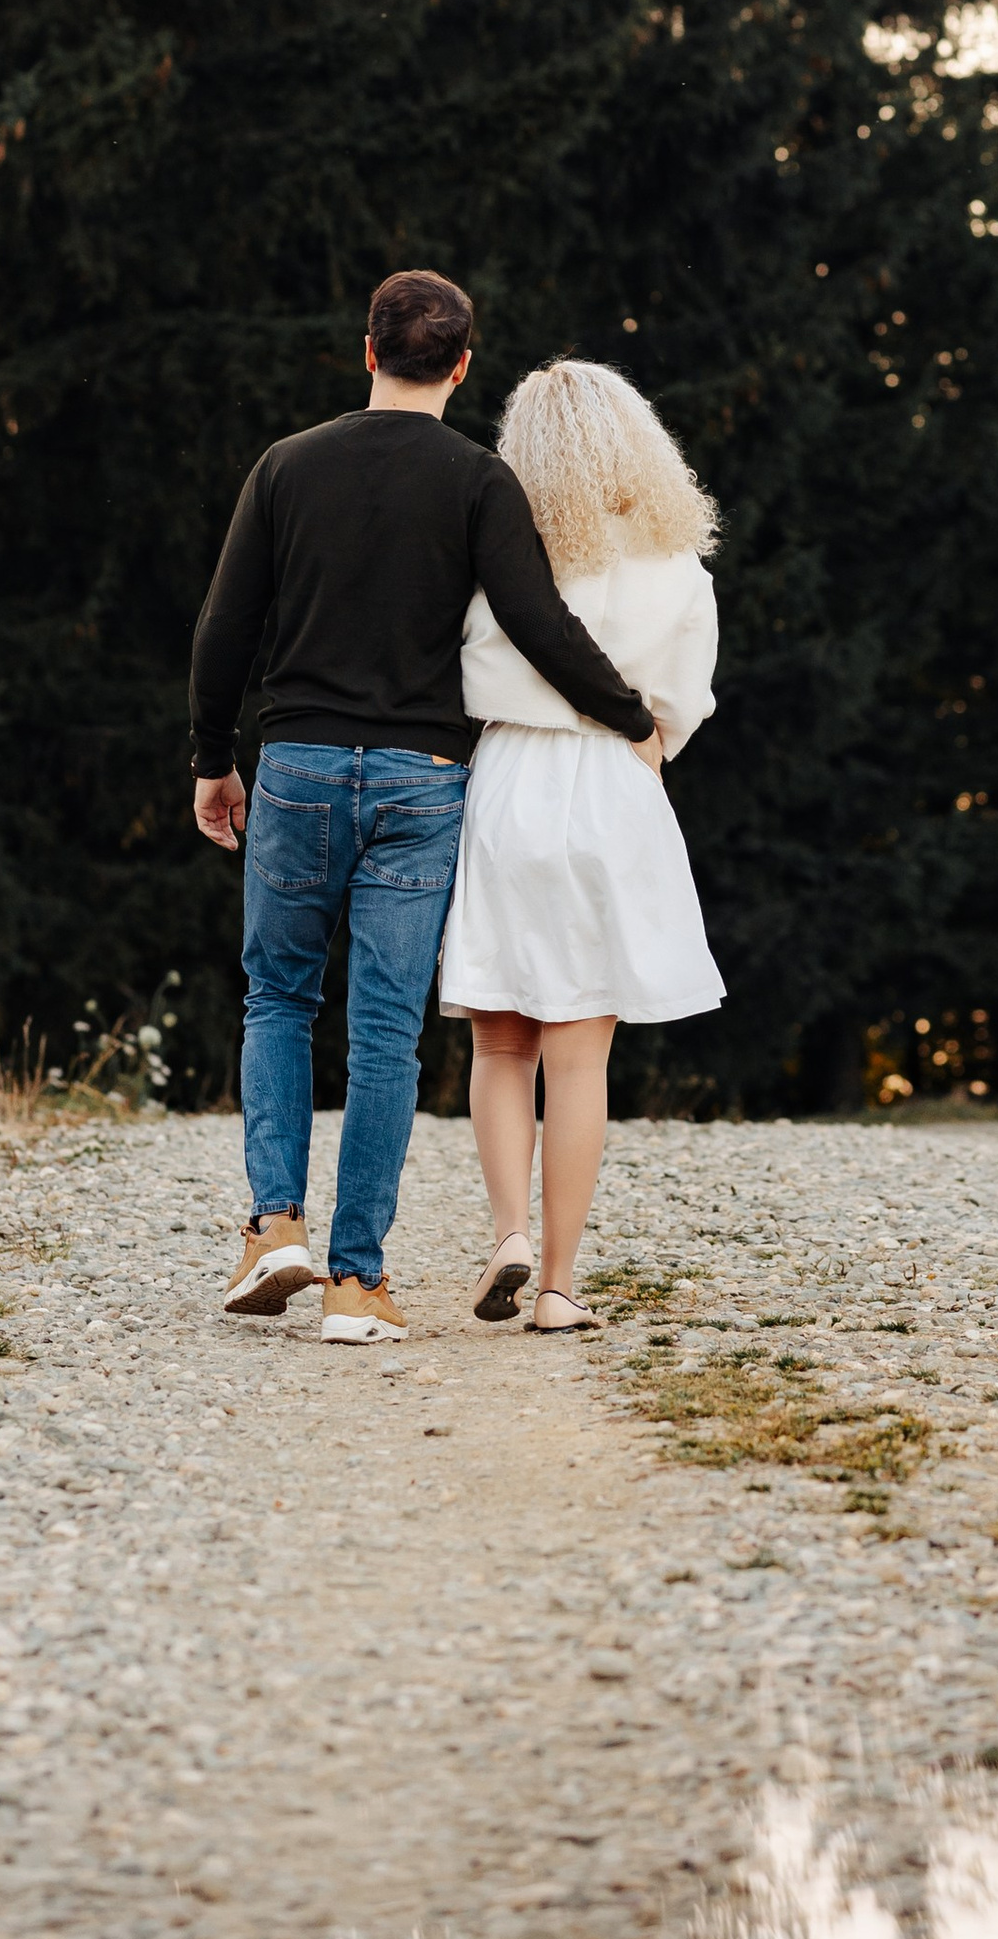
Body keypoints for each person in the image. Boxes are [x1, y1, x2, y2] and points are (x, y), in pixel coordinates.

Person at [188, 271, 659, 1343]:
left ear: (366, 350)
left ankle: (273, 1227)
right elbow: (541, 625)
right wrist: (631, 717)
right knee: (386, 1035)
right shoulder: (480, 483)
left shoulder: (285, 467)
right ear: (460, 365)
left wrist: (214, 758)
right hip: (420, 779)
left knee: (277, 999)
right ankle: (357, 1284)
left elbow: (225, 628)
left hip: (297, 763)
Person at [439, 356, 724, 1333]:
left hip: (510, 781)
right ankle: (558, 1285)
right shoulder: (678, 569)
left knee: (499, 1038)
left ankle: (508, 1232)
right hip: (613, 787)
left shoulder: (505, 552)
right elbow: (677, 709)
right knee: (579, 1057)